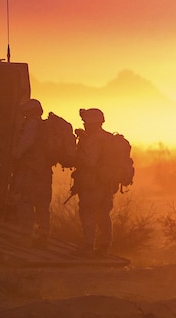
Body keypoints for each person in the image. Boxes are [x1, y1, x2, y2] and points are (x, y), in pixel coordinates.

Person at [72, 107, 134, 257]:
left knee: (88, 213)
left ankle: (88, 246)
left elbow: (90, 161)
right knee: (103, 215)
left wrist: (75, 156)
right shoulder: (108, 138)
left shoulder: (93, 140)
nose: (84, 124)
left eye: (86, 121)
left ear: (91, 123)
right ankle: (104, 246)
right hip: (107, 184)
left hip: (92, 184)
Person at [11, 98, 59, 248]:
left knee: (25, 201)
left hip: (30, 171)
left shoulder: (32, 124)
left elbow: (26, 143)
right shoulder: (46, 127)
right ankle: (43, 235)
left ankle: (26, 235)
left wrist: (15, 155)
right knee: (42, 204)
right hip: (44, 171)